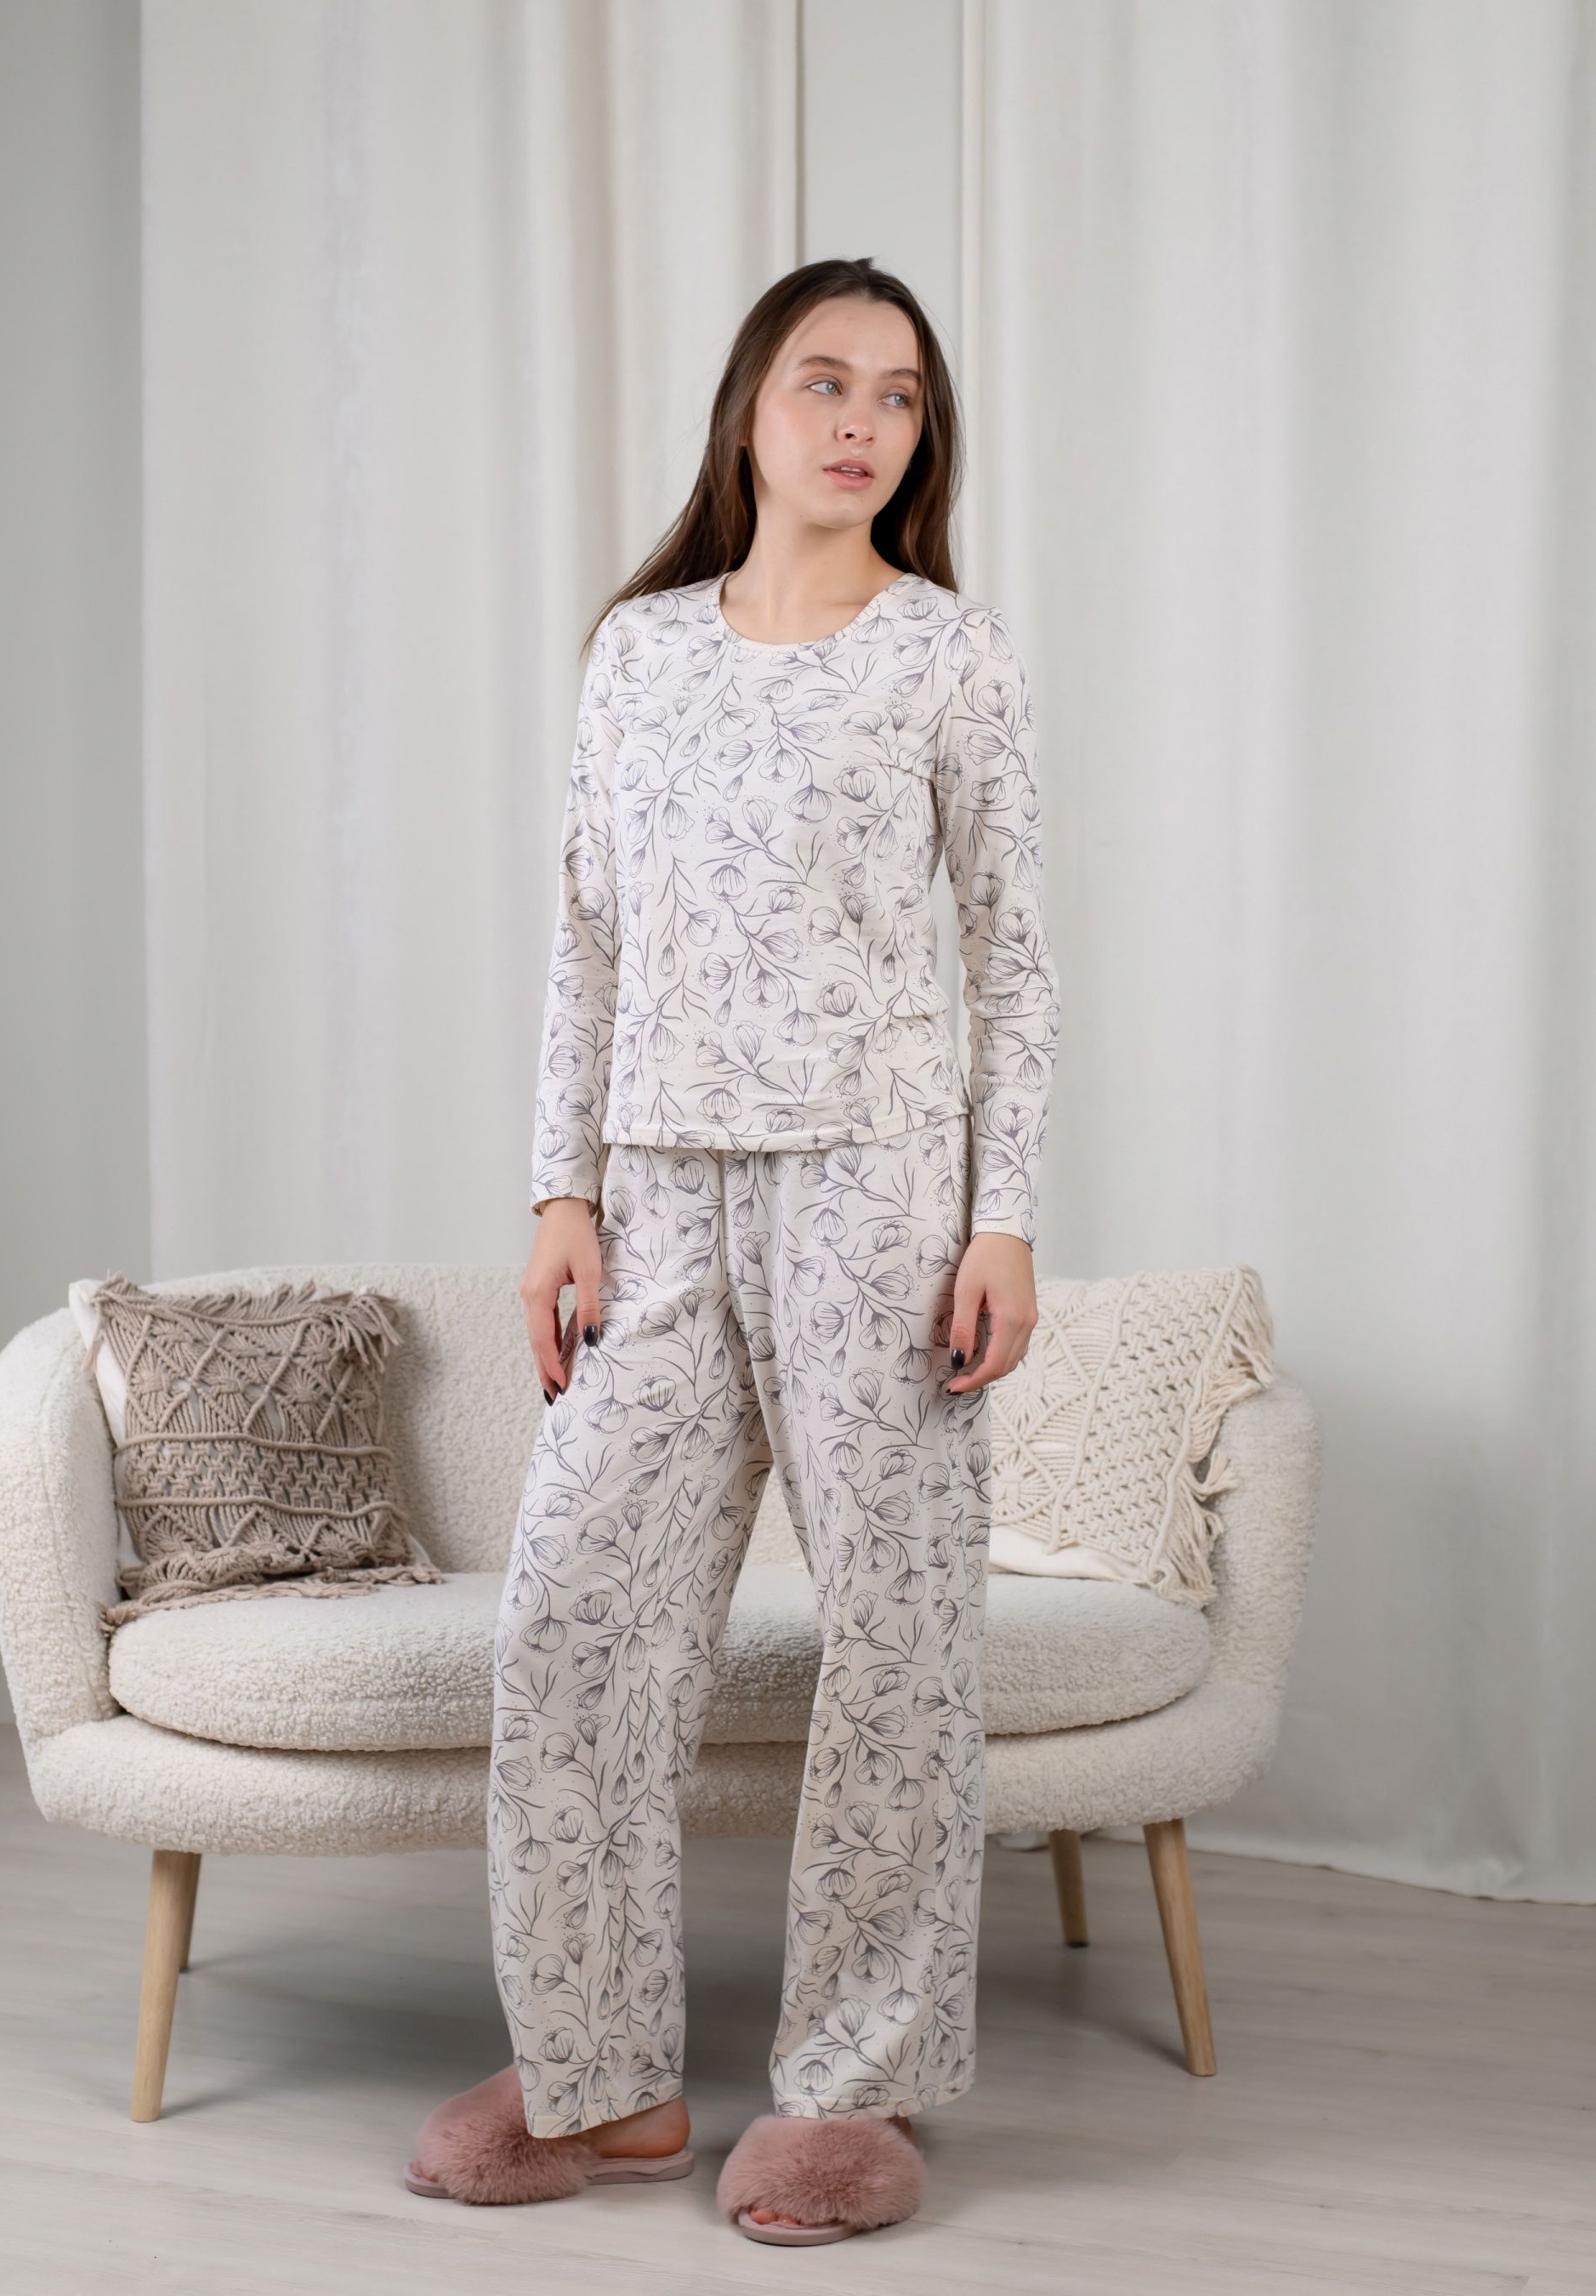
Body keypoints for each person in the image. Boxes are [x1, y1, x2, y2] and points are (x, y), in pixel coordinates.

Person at [406, 257, 1058, 2246]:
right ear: (749, 412)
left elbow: (1011, 963)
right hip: (657, 1197)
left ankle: (855, 2090)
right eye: (821, 383)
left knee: (895, 1643)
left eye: (897, 396)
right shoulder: (638, 654)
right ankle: (596, 2078)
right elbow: (584, 938)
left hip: (881, 1194)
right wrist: (558, 1194)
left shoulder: (947, 654)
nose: (860, 423)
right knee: (576, 1621)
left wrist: (1004, 1218)